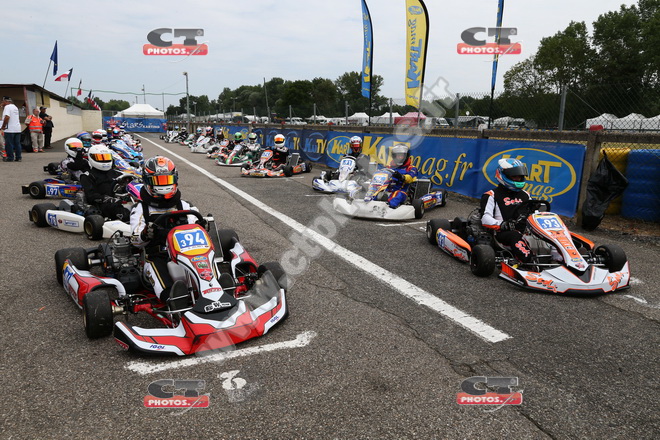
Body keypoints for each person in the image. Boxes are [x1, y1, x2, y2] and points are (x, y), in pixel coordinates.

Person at [130, 156, 200, 303]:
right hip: (157, 254)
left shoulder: (184, 205)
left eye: (167, 180)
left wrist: (202, 227)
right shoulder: (141, 209)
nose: (163, 185)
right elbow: (135, 242)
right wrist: (145, 234)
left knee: (203, 261)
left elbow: (196, 228)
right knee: (157, 267)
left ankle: (215, 286)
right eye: (159, 181)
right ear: (147, 181)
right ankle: (172, 298)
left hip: (187, 251)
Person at [480, 158, 532, 264]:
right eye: (514, 176)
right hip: (503, 233)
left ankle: (562, 260)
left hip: (525, 231)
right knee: (515, 235)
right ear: (503, 175)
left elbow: (533, 213)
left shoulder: (525, 195)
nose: (518, 179)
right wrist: (503, 225)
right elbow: (485, 219)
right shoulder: (492, 195)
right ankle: (529, 262)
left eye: (520, 176)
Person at [79, 145, 131, 221]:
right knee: (122, 211)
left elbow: (125, 186)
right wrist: (108, 199)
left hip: (121, 201)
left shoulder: (115, 173)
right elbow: (90, 196)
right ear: (91, 158)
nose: (104, 161)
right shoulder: (88, 176)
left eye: (106, 157)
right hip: (103, 205)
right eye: (100, 158)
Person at [386, 144, 418, 208]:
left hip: (403, 190)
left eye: (401, 156)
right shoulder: (389, 167)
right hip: (388, 189)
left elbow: (410, 178)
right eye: (398, 156)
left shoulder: (411, 168)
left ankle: (389, 206)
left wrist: (402, 177)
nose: (399, 158)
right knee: (375, 192)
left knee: (398, 194)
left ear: (406, 156)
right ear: (394, 156)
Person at [1, 96, 22, 162]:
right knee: (17, 144)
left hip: (10, 129)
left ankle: (10, 157)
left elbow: (7, 117)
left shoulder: (7, 107)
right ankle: (18, 157)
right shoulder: (15, 107)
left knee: (9, 144)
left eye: (3, 101)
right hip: (17, 129)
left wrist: (3, 126)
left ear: (5, 101)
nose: (2, 103)